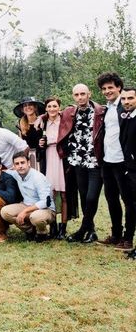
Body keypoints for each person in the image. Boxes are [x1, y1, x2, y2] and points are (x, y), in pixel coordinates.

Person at [60, 84, 105, 244]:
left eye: (83, 94)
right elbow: (50, 114)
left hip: (95, 162)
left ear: (89, 94)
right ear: (73, 96)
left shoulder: (101, 112)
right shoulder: (70, 112)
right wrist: (40, 117)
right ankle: (91, 232)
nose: (80, 97)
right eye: (77, 94)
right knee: (84, 196)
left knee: (92, 197)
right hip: (78, 162)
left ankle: (82, 230)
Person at [96, 73, 132, 251]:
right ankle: (116, 233)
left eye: (110, 87)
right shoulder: (107, 108)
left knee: (129, 201)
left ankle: (128, 238)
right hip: (107, 161)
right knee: (111, 200)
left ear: (119, 87)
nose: (107, 91)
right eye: (104, 89)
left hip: (123, 162)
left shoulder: (125, 107)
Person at [1, 152, 56, 242]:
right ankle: (30, 231)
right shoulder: (16, 174)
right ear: (14, 166)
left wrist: (25, 211)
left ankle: (42, 233)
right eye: (17, 164)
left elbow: (45, 202)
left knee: (36, 217)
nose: (20, 166)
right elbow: (2, 171)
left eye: (22, 162)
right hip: (26, 205)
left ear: (28, 163)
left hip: (45, 209)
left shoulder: (38, 177)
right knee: (5, 212)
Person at [35, 97, 69, 240]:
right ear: (46, 108)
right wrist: (41, 144)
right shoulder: (43, 123)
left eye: (55, 106)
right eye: (49, 106)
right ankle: (53, 226)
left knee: (64, 194)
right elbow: (38, 143)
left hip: (61, 157)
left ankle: (63, 227)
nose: (52, 109)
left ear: (59, 107)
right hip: (48, 157)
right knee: (51, 193)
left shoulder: (64, 120)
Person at [118, 87, 136, 259]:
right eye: (124, 99)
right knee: (130, 205)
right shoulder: (125, 117)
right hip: (127, 169)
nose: (127, 102)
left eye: (130, 98)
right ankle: (128, 238)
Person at [13, 97, 45, 169]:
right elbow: (21, 142)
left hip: (42, 154)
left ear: (35, 107)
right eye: (25, 106)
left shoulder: (41, 121)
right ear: (22, 109)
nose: (28, 107)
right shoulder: (20, 124)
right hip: (28, 155)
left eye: (30, 105)